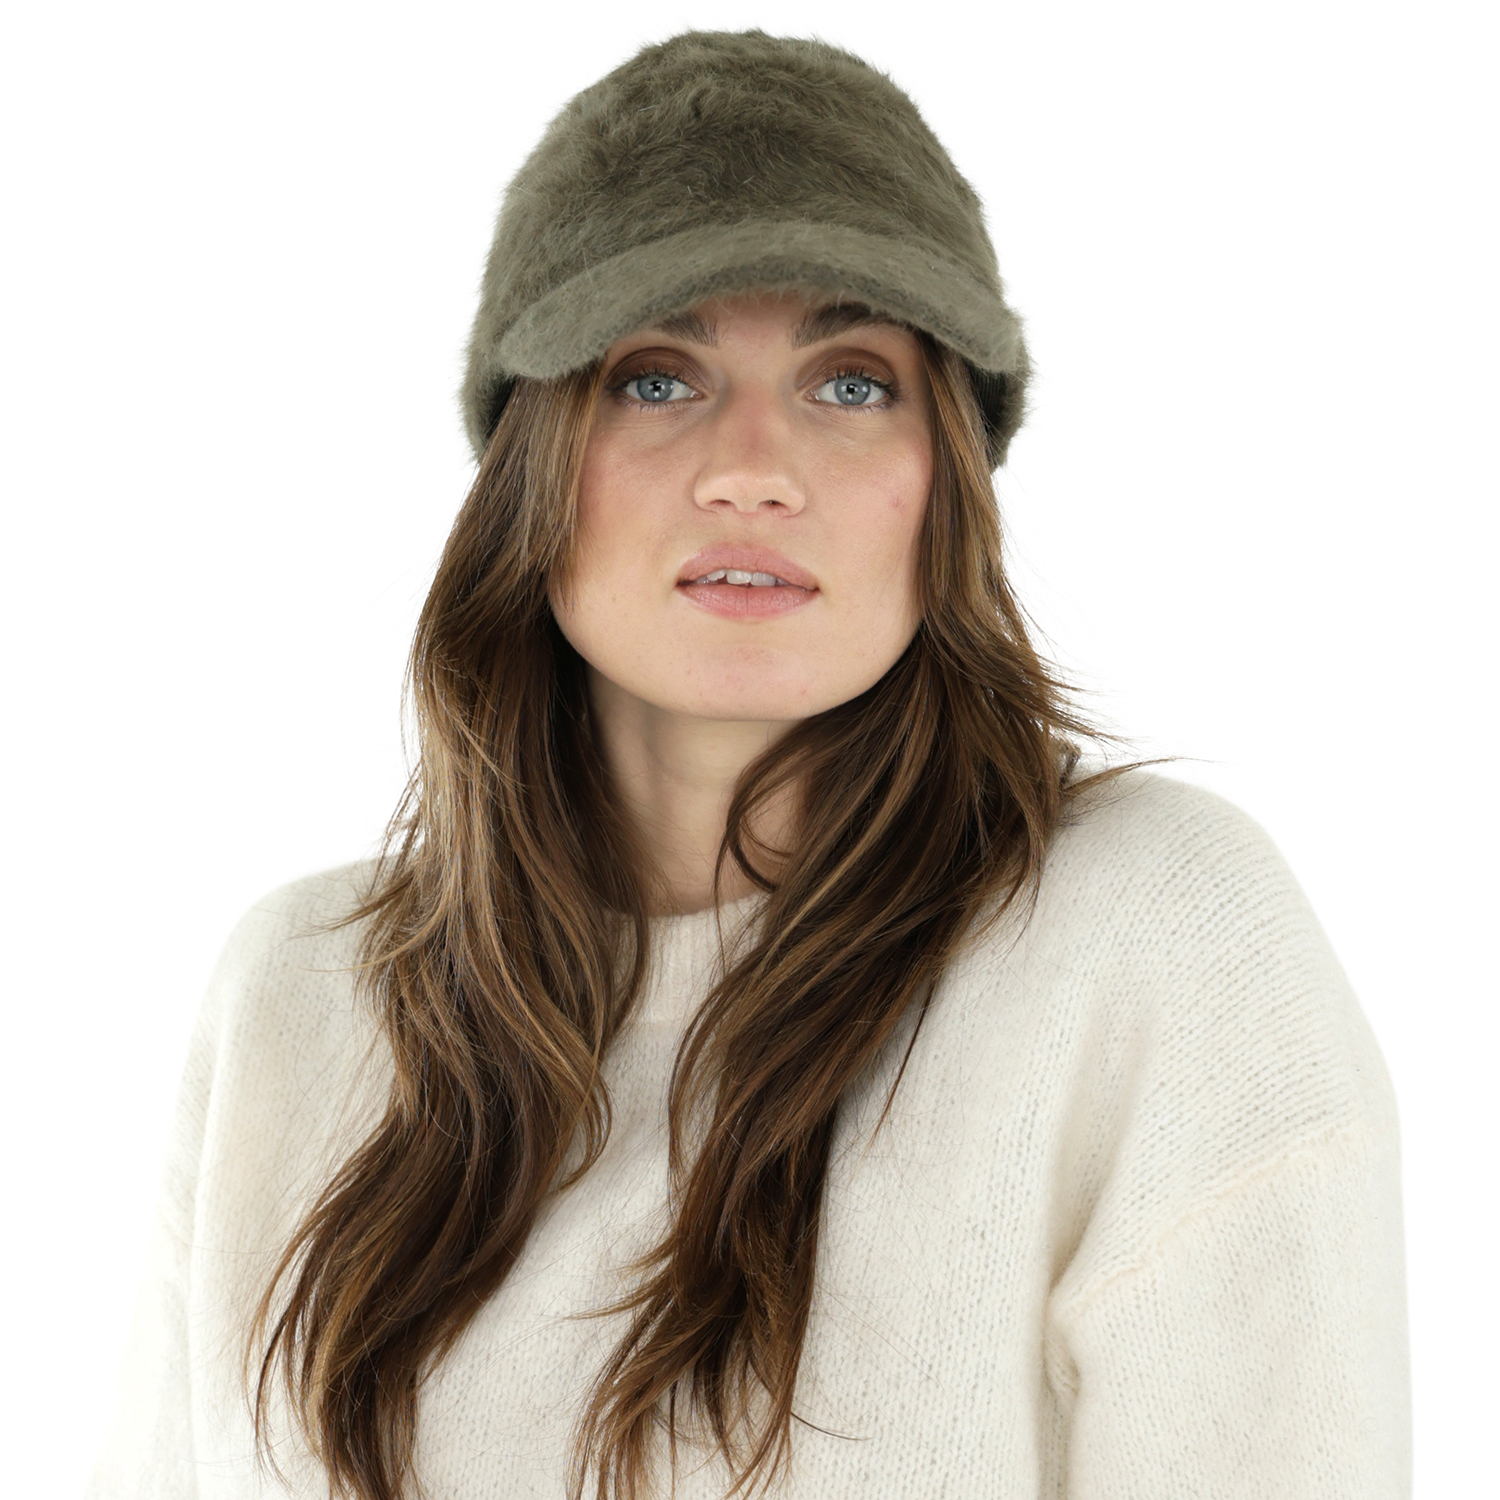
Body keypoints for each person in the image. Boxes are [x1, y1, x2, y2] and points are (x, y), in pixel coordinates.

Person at [86, 28, 1411, 1500]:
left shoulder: (1151, 936)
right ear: (532, 464)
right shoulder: (299, 993)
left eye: (853, 383)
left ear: (946, 477)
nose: (755, 469)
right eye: (658, 379)